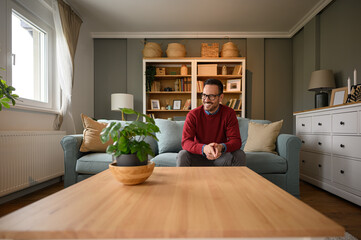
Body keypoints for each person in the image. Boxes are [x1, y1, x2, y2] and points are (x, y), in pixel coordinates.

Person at [177, 79, 246, 166]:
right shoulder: (193, 115)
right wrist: (204, 148)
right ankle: (182, 180)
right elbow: (185, 142)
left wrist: (221, 147)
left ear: (221, 97)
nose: (206, 100)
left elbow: (236, 141)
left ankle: (238, 180)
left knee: (239, 154)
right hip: (199, 156)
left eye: (212, 96)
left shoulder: (229, 113)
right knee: (182, 155)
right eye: (204, 95)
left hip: (220, 156)